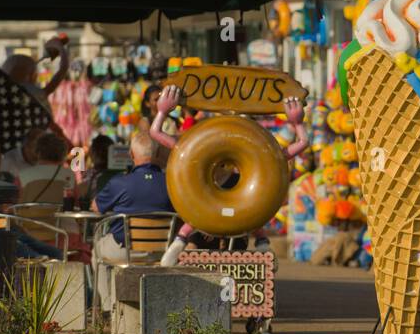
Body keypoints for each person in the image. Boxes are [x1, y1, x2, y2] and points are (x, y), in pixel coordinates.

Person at [153, 84, 307, 265]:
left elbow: (156, 132)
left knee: (255, 205)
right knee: (248, 207)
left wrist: (161, 113)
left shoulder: (264, 152)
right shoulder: (196, 147)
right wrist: (297, 124)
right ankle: (262, 243)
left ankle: (180, 240)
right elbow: (303, 142)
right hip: (209, 204)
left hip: (232, 206)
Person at [91, 131, 175, 312]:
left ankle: (108, 309)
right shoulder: (172, 183)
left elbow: (96, 207)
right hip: (161, 252)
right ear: (158, 154)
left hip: (125, 250)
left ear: (131, 155)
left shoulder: (119, 183)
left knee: (96, 251)